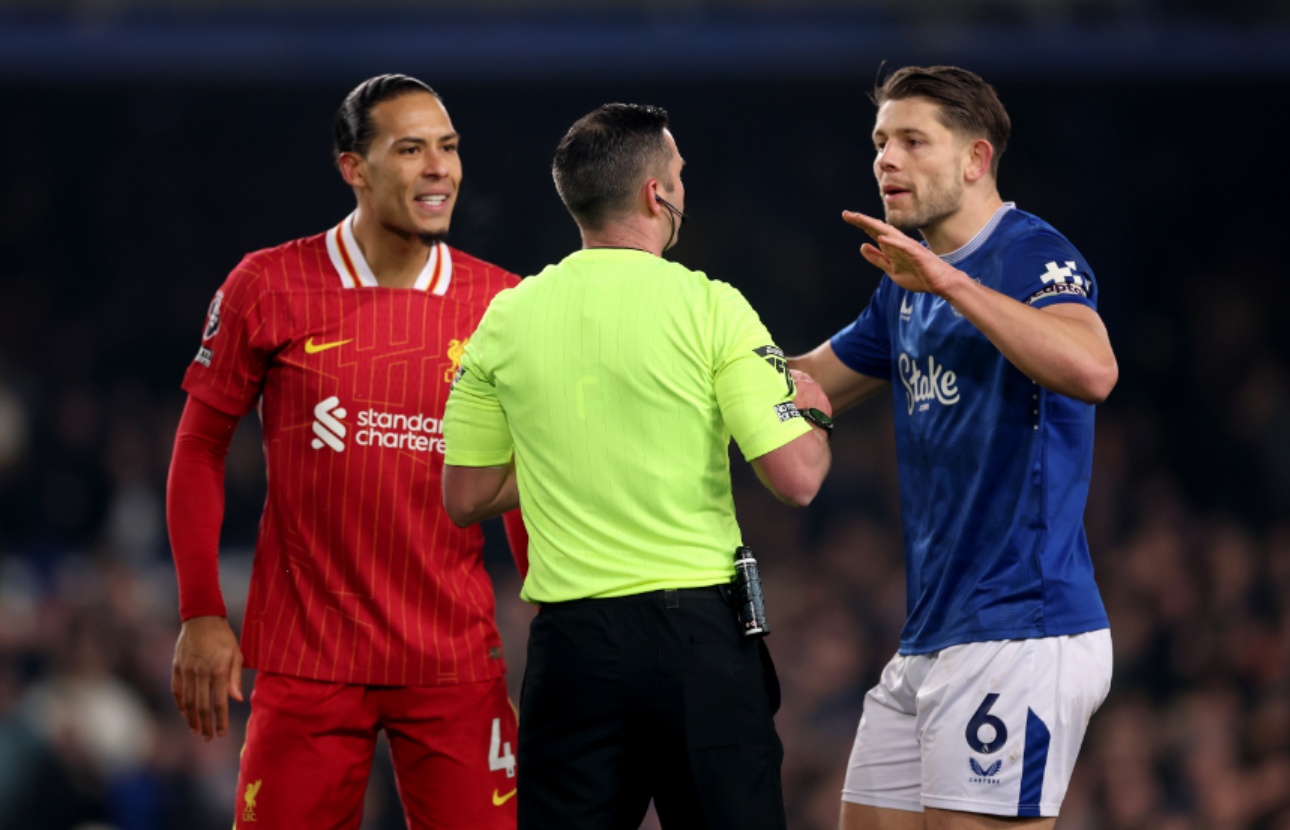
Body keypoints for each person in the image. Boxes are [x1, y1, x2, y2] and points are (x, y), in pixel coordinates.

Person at [440, 103, 833, 830]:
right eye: (679, 174)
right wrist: (810, 410)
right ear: (658, 194)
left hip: (572, 653)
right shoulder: (713, 307)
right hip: (701, 645)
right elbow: (797, 478)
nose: (684, 186)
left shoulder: (504, 317)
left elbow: (464, 497)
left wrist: (572, 455)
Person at [166, 74, 528, 830]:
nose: (440, 168)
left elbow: (524, 477)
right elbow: (200, 445)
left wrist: (549, 608)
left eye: (449, 147)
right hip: (309, 659)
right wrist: (202, 613)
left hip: (453, 661)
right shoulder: (268, 285)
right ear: (353, 168)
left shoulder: (504, 306)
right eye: (411, 149)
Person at [790, 65, 1117, 829]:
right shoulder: (904, 283)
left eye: (912, 141)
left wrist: (950, 284)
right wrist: (689, 350)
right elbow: (806, 387)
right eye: (879, 142)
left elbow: (1094, 369)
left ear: (975, 159)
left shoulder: (1031, 254)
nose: (885, 160)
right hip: (933, 634)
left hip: (1023, 626)